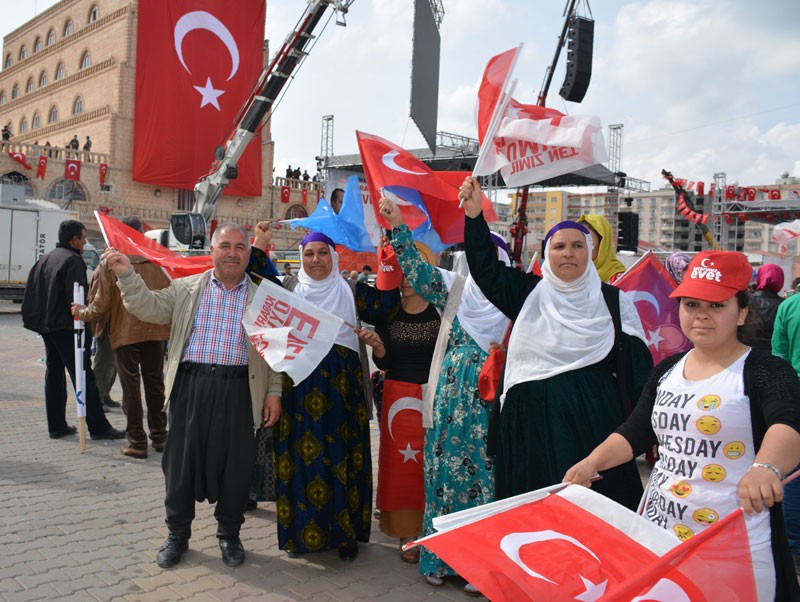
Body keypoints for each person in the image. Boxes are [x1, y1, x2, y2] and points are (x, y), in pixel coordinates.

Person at [565, 250, 800, 601]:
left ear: (743, 313)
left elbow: (788, 423)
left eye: (717, 305)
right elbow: (636, 430)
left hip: (734, 540)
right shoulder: (666, 371)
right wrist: (591, 463)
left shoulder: (765, 371)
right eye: (691, 304)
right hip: (660, 530)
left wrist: (766, 467)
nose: (701, 316)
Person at [459, 178, 651, 507]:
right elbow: (486, 269)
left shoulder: (614, 302)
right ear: (548, 253)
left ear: (590, 252)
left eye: (578, 245)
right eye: (559, 246)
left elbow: (641, 375)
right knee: (534, 518)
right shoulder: (527, 292)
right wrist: (475, 216)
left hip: (593, 428)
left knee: (594, 516)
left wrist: (651, 433)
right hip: (529, 429)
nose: (568, 253)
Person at [107, 223, 283, 569]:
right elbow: (149, 308)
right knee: (180, 467)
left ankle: (229, 535)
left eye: (239, 247)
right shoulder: (187, 289)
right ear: (213, 251)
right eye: (225, 246)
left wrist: (274, 391)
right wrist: (127, 275)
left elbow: (275, 353)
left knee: (236, 468)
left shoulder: (265, 297)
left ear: (249, 253)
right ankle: (177, 535)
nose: (232, 253)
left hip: (240, 391)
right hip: (191, 387)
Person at [379, 197, 506, 595]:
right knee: (440, 478)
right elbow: (415, 271)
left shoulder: (514, 299)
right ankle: (438, 558)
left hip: (489, 408)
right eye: (479, 257)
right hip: (448, 405)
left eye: (492, 259)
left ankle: (476, 567)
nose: (485, 266)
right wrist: (398, 226)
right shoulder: (456, 291)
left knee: (484, 483)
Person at [275, 231, 398, 560]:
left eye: (323, 253)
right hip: (298, 386)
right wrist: (259, 245)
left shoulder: (351, 290)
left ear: (334, 256)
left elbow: (387, 304)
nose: (316, 260)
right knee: (302, 457)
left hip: (343, 387)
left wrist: (390, 253)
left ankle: (345, 535)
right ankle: (301, 535)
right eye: (309, 254)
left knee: (342, 454)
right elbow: (254, 285)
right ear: (301, 258)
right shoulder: (289, 290)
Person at [71, 216, 171, 459]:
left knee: (131, 388)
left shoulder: (112, 261)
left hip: (126, 334)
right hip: (156, 330)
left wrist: (81, 312)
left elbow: (100, 305)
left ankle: (137, 442)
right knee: (156, 384)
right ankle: (160, 437)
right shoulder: (155, 255)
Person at [21, 220, 125, 441]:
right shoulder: (73, 261)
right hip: (68, 327)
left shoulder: (46, 258)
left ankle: (56, 425)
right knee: (83, 375)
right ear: (74, 239)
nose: (85, 242)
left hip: (48, 326)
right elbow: (76, 299)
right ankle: (98, 426)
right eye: (83, 238)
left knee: (55, 373)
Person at [370, 240, 441, 564]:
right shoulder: (389, 313)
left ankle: (434, 528)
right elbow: (383, 363)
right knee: (400, 467)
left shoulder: (444, 311)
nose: (409, 276)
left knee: (432, 465)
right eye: (403, 269)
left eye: (415, 268)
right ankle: (405, 530)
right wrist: (379, 348)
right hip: (397, 398)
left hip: (434, 398)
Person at [772, 274, 800, 575]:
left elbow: (779, 353)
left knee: (792, 474)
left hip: (793, 395)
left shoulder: (790, 305)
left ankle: (792, 548)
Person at [741, 264, 784, 354]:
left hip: (747, 352)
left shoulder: (746, 301)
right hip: (773, 354)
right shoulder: (784, 305)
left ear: (759, 277)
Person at [578, 214, 627, 284]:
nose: (581, 246)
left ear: (603, 243)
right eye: (577, 243)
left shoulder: (619, 279)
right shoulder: (570, 274)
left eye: (588, 240)